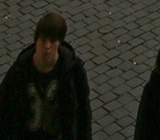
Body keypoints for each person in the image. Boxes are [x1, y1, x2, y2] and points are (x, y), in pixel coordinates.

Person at [0, 10, 92, 139]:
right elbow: (4, 110)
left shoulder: (74, 71)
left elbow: (84, 114)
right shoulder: (19, 71)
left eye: (52, 41)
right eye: (43, 40)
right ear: (36, 40)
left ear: (59, 42)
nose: (47, 46)